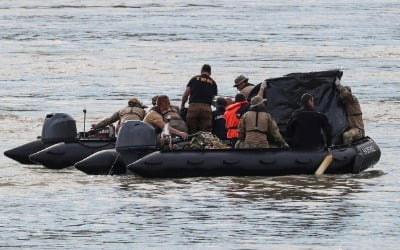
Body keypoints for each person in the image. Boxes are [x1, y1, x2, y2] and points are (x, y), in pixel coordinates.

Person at [180, 64, 218, 134]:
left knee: (191, 130)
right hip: (206, 108)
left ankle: (191, 143)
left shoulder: (194, 79)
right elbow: (212, 98)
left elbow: (186, 94)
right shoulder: (213, 83)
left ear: (201, 71)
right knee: (205, 132)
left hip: (193, 107)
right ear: (210, 72)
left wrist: (182, 105)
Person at [336, 79, 365, 144]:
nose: (342, 95)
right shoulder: (344, 103)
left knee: (346, 135)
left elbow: (346, 94)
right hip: (350, 129)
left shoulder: (354, 100)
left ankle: (346, 149)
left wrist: (338, 85)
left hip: (358, 130)